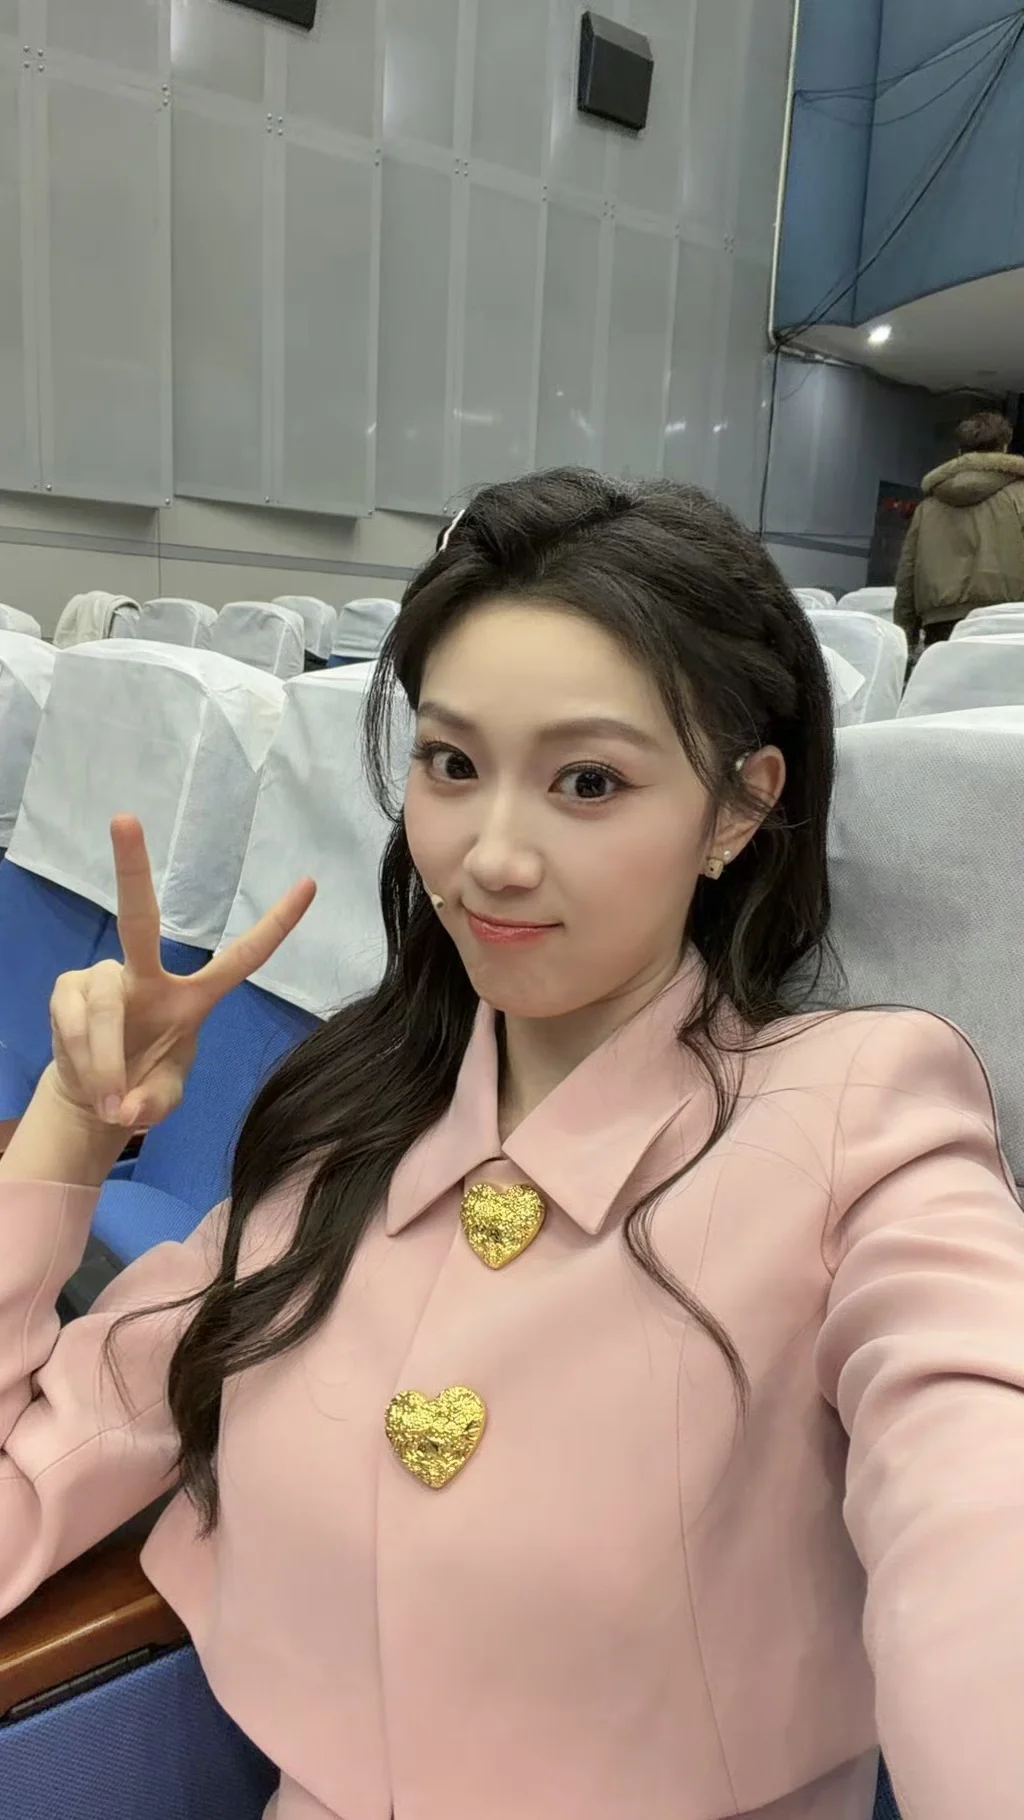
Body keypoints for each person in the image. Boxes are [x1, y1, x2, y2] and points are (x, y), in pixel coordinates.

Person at [1, 469, 1023, 1820]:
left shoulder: (859, 1114)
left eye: (587, 781)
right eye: (452, 764)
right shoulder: (347, 1121)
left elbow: (975, 1496)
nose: (490, 856)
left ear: (737, 807)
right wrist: (72, 1124)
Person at [895, 409, 1024, 649]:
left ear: (959, 451)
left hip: (940, 624)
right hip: (1008, 622)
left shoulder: (928, 506)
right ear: (1005, 447)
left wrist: (906, 636)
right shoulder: (1020, 495)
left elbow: (908, 573)